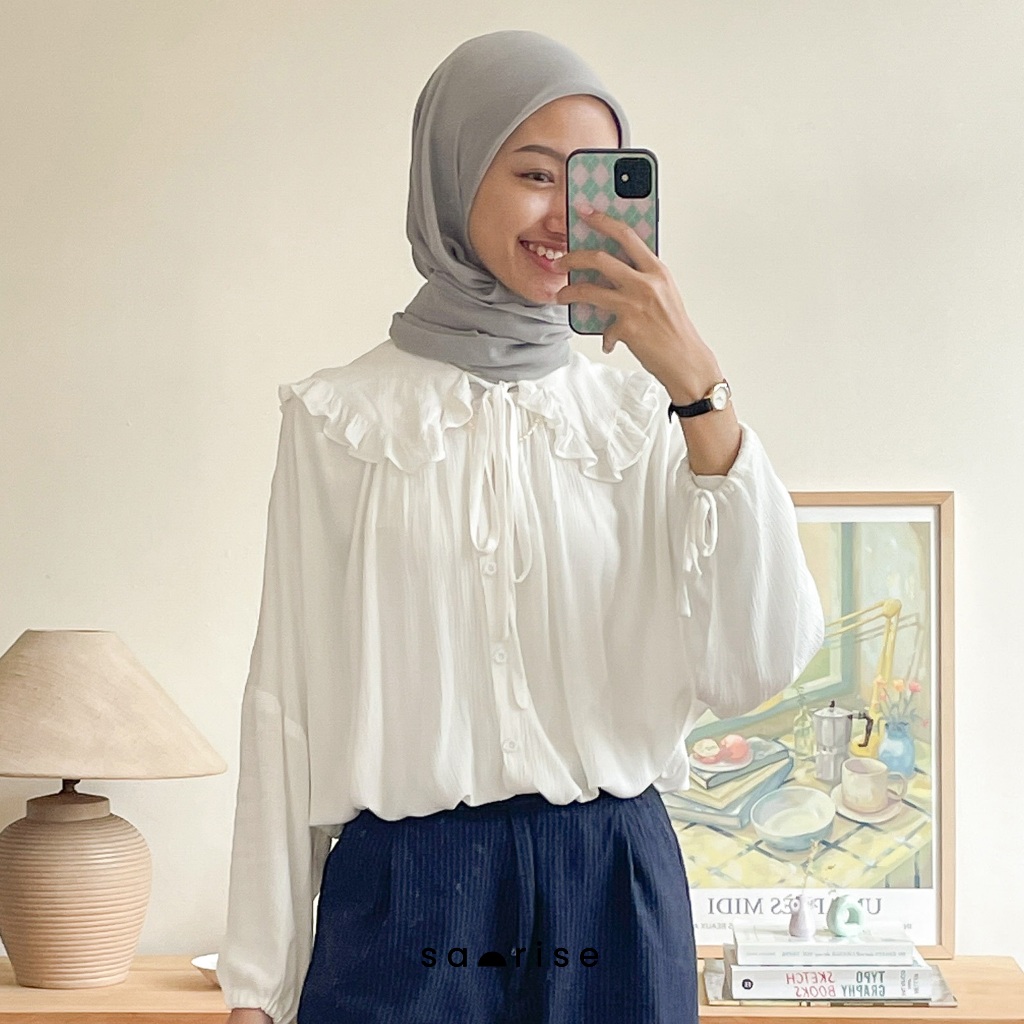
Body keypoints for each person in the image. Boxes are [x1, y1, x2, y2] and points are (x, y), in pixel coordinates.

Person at [217, 29, 824, 1024]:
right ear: (454, 176)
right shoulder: (341, 420)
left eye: (592, 183)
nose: (564, 217)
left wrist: (697, 385)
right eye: (536, 174)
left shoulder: (644, 419)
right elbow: (285, 704)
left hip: (612, 888)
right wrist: (257, 986)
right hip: (403, 899)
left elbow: (754, 663)